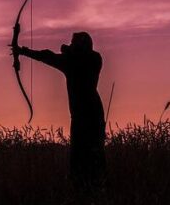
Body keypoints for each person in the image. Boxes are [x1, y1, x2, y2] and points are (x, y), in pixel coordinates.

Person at [13, 31, 106, 190]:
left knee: (90, 156)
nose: (69, 45)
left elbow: (61, 57)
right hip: (89, 115)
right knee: (83, 157)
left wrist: (23, 51)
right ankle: (86, 190)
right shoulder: (81, 59)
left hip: (88, 117)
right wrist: (23, 51)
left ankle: (92, 188)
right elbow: (48, 56)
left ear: (80, 46)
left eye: (73, 43)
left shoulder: (90, 60)